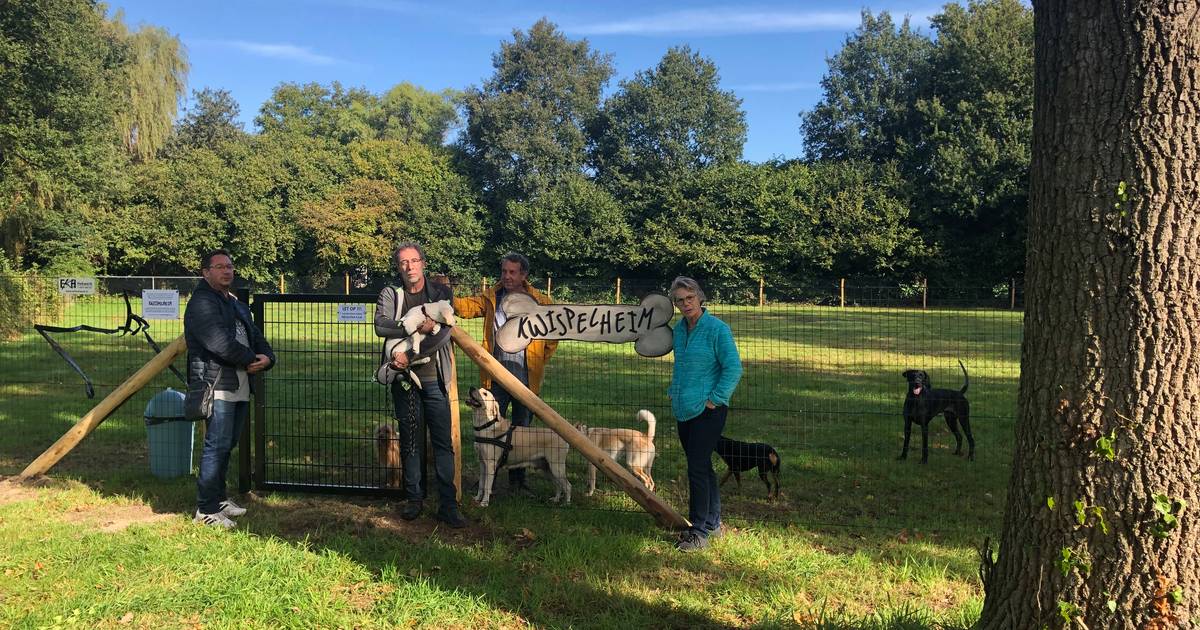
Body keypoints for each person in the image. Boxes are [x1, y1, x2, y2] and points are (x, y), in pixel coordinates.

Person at [375, 242, 466, 528]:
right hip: (404, 380)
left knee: (442, 443)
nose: (409, 266)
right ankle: (414, 499)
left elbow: (443, 334)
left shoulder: (441, 293)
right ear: (398, 267)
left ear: (423, 263)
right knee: (411, 442)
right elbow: (380, 326)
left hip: (434, 379)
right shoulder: (391, 294)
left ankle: (448, 505)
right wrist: (414, 326)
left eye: (414, 261)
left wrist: (411, 355)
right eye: (404, 262)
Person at [450, 252, 557, 494]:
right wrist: (446, 296)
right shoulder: (492, 297)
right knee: (490, 428)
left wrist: (538, 359)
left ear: (523, 275)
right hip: (495, 377)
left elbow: (552, 337)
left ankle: (518, 482)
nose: (506, 276)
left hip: (526, 381)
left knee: (522, 430)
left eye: (512, 272)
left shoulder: (541, 301)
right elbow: (467, 308)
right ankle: (489, 480)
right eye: (504, 271)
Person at [185, 249, 275, 529]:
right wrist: (251, 359)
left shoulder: (235, 303)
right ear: (206, 272)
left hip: (240, 382)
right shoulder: (201, 303)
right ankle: (206, 509)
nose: (227, 271)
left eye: (230, 266)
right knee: (217, 445)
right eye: (220, 267)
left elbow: (254, 335)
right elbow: (217, 342)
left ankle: (219, 499)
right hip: (217, 383)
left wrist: (268, 357)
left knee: (228, 443)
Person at [667, 276, 742, 552]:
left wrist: (715, 399)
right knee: (703, 467)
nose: (686, 304)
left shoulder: (717, 329)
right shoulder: (679, 330)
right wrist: (674, 391)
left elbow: (733, 368)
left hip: (709, 411)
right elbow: (681, 366)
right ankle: (713, 523)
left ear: (700, 297)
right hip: (684, 409)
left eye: (690, 298)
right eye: (680, 300)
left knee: (697, 468)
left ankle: (698, 533)